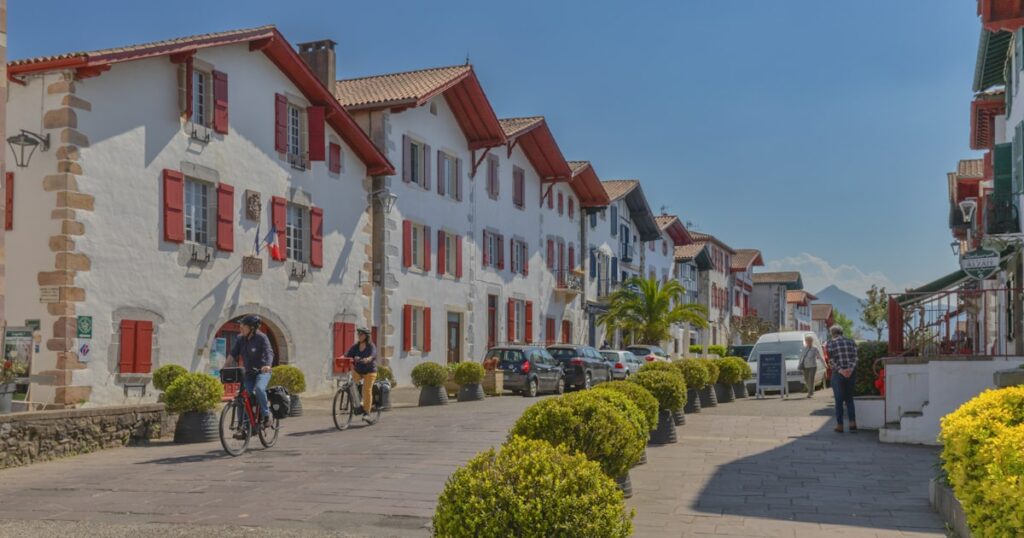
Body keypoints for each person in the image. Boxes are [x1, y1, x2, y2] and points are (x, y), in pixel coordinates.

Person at [227, 315, 274, 428]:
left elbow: (269, 352)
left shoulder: (262, 338)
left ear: (252, 328)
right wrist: (224, 367)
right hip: (249, 374)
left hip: (262, 372)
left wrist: (267, 365)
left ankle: (266, 415)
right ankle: (244, 427)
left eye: (243, 326)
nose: (240, 328)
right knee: (241, 397)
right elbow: (232, 354)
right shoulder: (240, 339)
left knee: (259, 389)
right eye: (240, 326)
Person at [825, 325, 858, 433]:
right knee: (849, 399)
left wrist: (841, 370)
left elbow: (831, 360)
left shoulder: (830, 343)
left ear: (832, 333)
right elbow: (855, 357)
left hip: (838, 374)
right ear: (841, 332)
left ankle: (840, 425)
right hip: (850, 374)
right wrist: (850, 369)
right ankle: (852, 423)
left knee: (838, 400)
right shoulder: (851, 341)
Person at [344, 327, 377, 419]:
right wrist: (341, 358)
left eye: (361, 334)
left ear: (366, 336)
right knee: (351, 385)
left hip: (370, 371)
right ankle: (358, 405)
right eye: (358, 334)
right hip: (358, 370)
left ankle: (367, 412)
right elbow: (347, 354)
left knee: (367, 390)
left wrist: (368, 359)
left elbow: (373, 355)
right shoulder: (355, 346)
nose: (359, 336)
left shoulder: (371, 346)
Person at [797, 334, 821, 398]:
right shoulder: (804, 348)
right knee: (806, 379)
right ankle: (810, 389)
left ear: (812, 341)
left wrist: (825, 364)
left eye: (809, 340)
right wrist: (799, 364)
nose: (808, 341)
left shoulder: (815, 348)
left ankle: (810, 392)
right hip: (805, 366)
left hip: (813, 366)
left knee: (811, 379)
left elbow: (820, 356)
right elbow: (801, 357)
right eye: (807, 340)